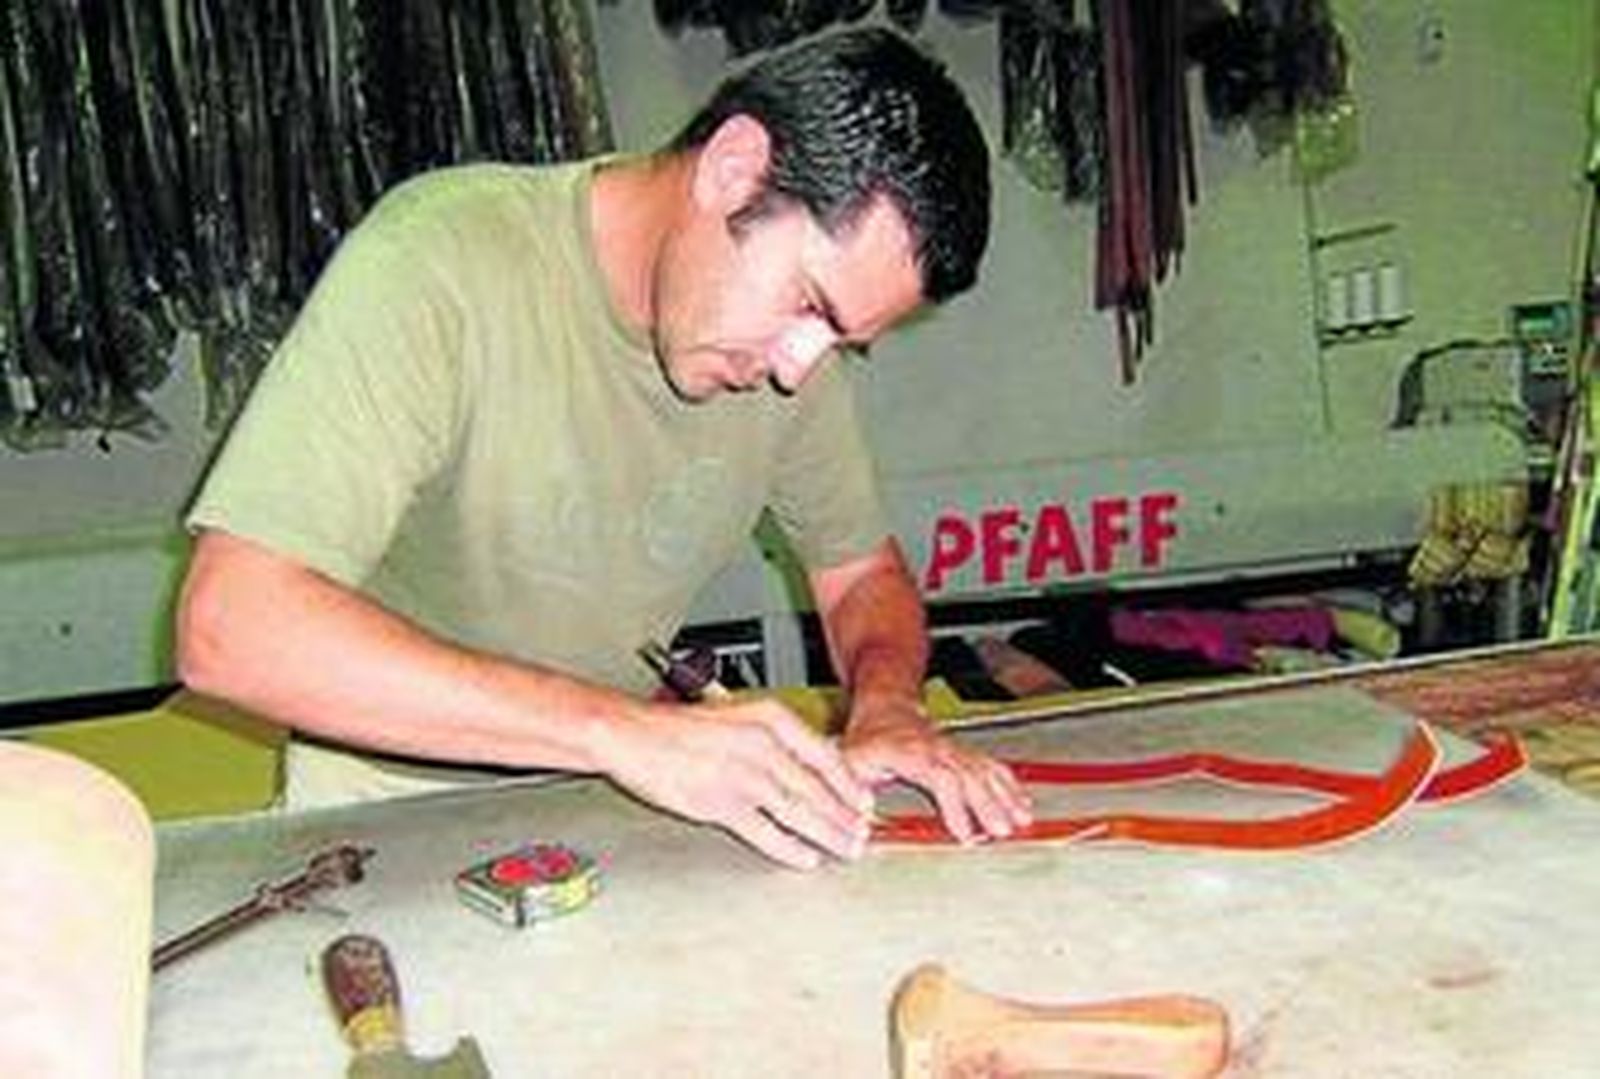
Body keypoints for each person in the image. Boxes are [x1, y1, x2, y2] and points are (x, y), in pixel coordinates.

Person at [175, 27, 1032, 870]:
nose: (798, 365)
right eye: (810, 303)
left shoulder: (785, 363)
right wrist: (624, 732)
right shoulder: (440, 260)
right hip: (385, 809)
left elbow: (860, 575)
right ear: (734, 169)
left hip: (614, 797)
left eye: (842, 341)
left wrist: (886, 707)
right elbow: (233, 626)